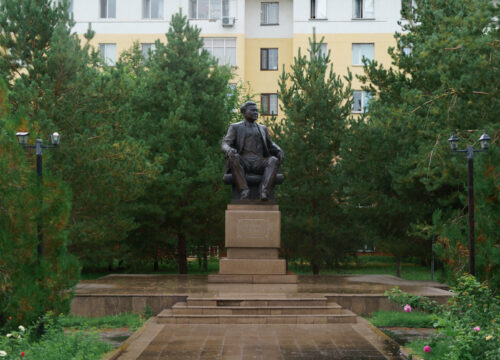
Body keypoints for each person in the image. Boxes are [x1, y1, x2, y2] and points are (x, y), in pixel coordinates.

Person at [221, 101, 284, 200]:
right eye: (253, 110)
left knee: (273, 160)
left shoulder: (262, 128)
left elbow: (270, 144)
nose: (256, 113)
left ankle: (264, 192)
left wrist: (279, 150)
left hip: (259, 162)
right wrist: (229, 150)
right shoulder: (235, 127)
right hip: (243, 161)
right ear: (245, 112)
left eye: (257, 111)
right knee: (234, 157)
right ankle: (244, 191)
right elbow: (225, 143)